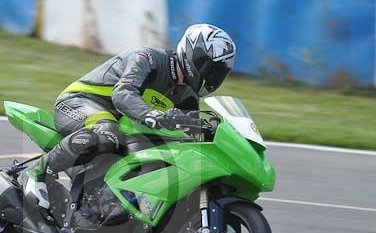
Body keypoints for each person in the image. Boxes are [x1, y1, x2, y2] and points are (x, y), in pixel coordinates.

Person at [23, 23, 237, 209]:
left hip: (121, 125)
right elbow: (123, 94)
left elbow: (191, 138)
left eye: (218, 73)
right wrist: (150, 114)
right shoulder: (148, 58)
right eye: (210, 69)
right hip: (81, 102)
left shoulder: (187, 96)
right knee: (107, 132)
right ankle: (37, 173)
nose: (212, 77)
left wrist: (216, 135)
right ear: (193, 55)